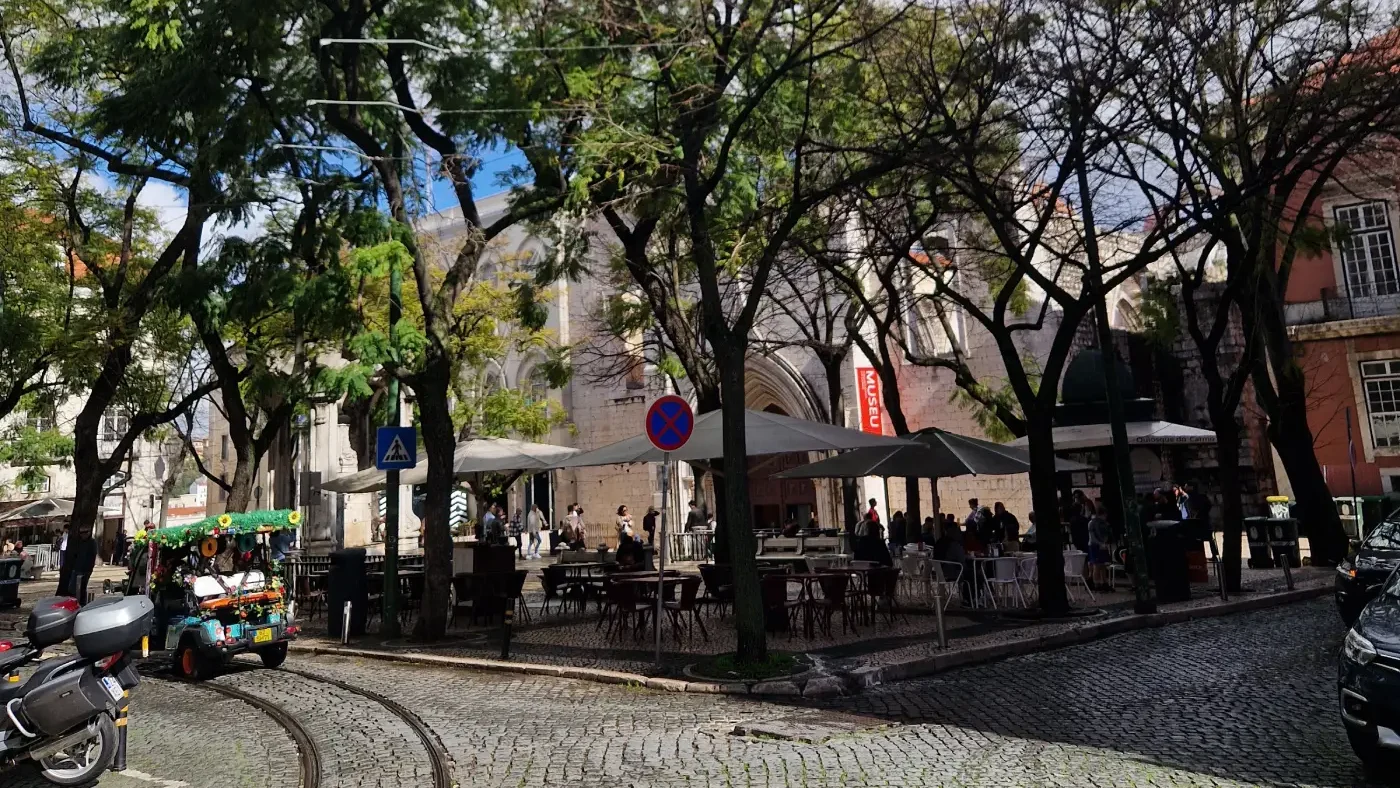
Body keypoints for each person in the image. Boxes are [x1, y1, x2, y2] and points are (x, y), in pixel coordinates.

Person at [1088, 502, 1112, 590]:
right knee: (1097, 565)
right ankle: (1097, 583)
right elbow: (1093, 536)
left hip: (1100, 544)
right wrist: (1101, 543)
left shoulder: (1101, 523)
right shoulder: (1093, 523)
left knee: (1102, 565)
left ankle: (1103, 582)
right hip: (1095, 545)